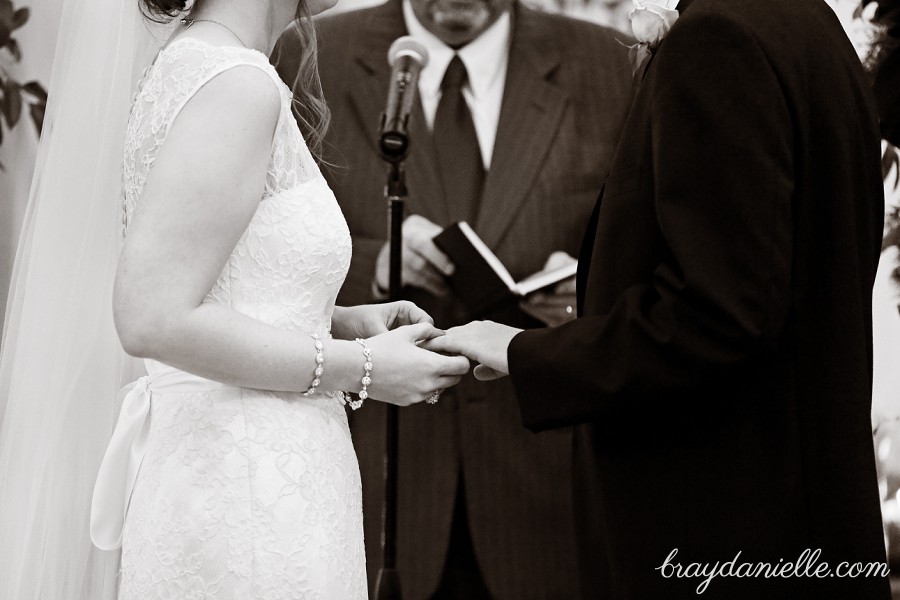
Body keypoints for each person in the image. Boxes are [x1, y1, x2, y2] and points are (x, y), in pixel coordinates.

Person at [0, 0, 471, 596]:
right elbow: (151, 317)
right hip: (245, 492)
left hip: (256, 470)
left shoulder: (207, 66)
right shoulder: (234, 86)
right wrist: (366, 369)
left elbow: (227, 284)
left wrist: (344, 323)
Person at [427, 0, 893, 598]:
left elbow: (718, 313)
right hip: (807, 519)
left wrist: (524, 351)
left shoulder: (720, 38)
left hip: (722, 538)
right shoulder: (808, 23)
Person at [274, 0, 633, 597]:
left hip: (544, 489)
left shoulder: (607, 65)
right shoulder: (310, 54)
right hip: (372, 483)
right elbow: (251, 249)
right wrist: (372, 261)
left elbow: (653, 251)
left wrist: (592, 285)